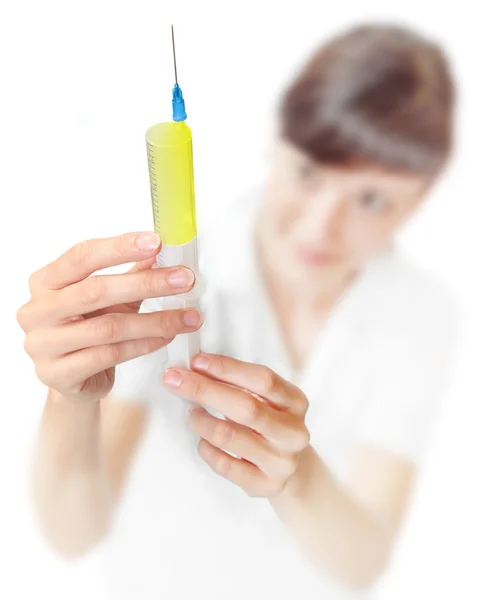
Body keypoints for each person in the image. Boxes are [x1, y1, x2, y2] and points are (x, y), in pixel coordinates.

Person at [17, 23, 457, 600]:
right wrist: (68, 400)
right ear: (277, 143)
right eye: (308, 173)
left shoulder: (419, 314)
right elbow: (74, 534)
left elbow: (362, 564)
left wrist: (297, 478)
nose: (321, 227)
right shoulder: (180, 285)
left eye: (372, 199)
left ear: (422, 198)